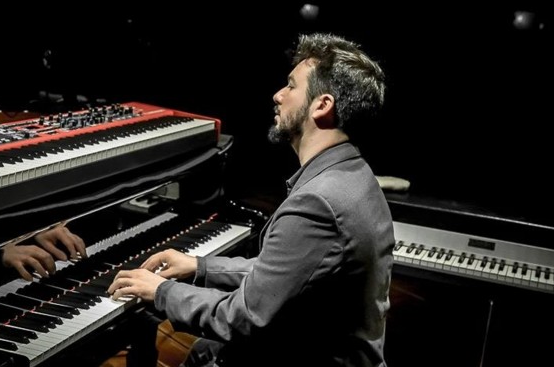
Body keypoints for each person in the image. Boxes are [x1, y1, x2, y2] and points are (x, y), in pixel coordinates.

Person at [107, 32, 395, 367]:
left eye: (291, 86)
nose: (278, 95)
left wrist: (160, 291)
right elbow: (283, 272)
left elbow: (242, 318)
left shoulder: (318, 202)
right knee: (203, 350)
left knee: (206, 350)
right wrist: (200, 267)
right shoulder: (355, 175)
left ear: (322, 105)